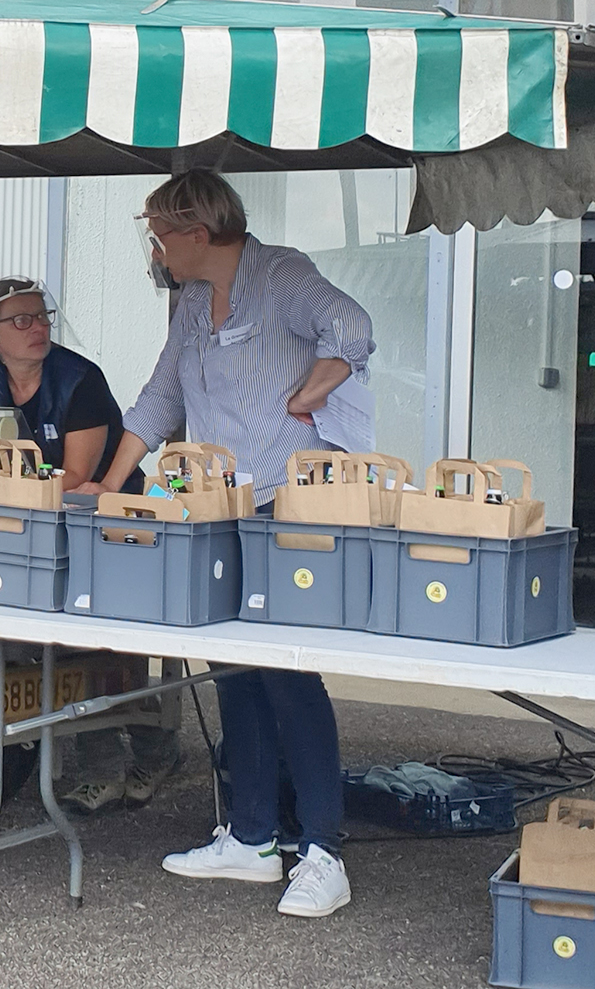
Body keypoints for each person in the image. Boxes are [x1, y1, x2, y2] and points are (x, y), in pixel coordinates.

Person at [84, 171, 375, 919]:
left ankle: (323, 851)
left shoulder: (280, 275)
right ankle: (251, 836)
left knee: (287, 673)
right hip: (214, 506)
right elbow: (161, 396)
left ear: (198, 232)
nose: (155, 250)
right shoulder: (190, 304)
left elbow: (352, 327)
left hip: (285, 505)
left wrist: (311, 393)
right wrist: (110, 485)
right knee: (233, 670)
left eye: (160, 235)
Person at [0, 276, 175, 814]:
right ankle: (105, 767)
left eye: (42, 317)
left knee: (106, 643)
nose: (37, 328)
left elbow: (77, 478)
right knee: (62, 646)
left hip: (105, 524)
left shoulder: (81, 379)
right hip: (32, 524)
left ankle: (153, 752)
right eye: (21, 320)